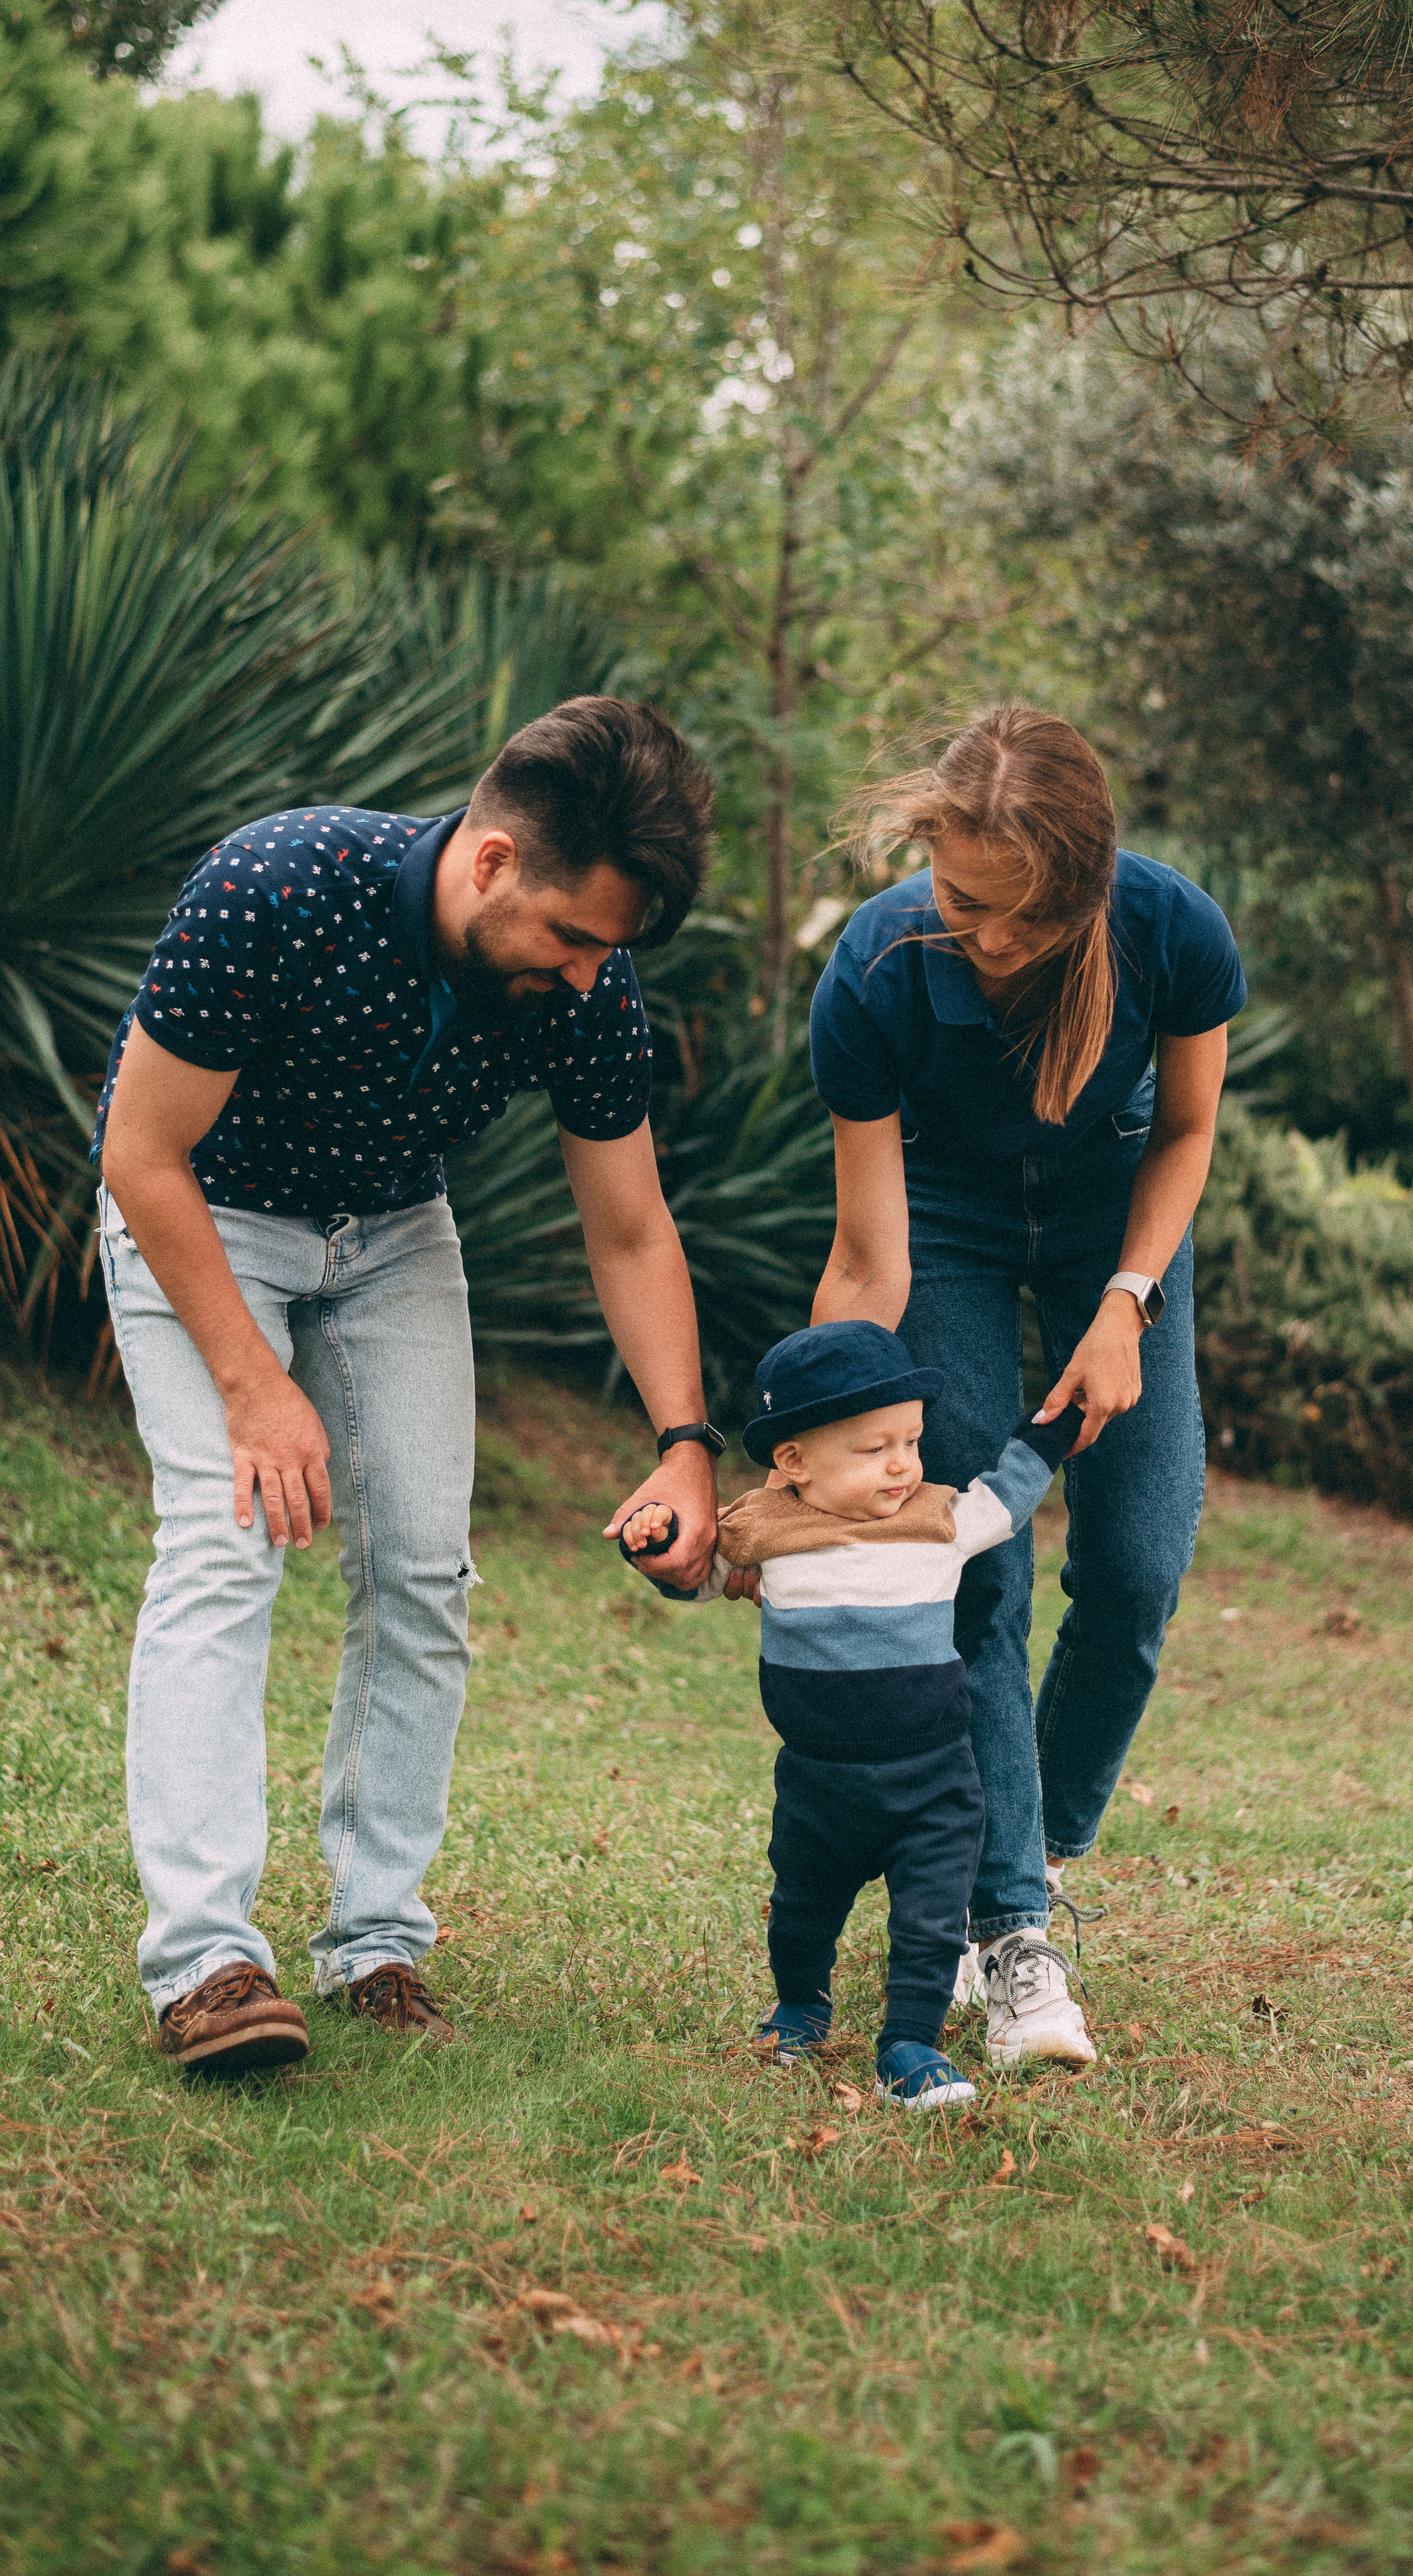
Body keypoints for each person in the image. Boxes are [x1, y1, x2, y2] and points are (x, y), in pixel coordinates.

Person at [96, 697, 726, 2078]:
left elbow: (629, 1227)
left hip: (388, 1231)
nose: (581, 976)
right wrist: (252, 1382)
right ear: (493, 861)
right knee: (223, 1536)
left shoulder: (582, 983)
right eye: (571, 937)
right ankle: (205, 1964)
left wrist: (684, 1442)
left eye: (604, 953)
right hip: (205, 1211)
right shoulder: (274, 890)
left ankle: (374, 1942)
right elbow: (142, 1155)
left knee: (426, 1572)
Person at [801, 706, 1245, 2067]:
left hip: (1115, 1205)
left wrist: (1125, 1301)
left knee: (1134, 1565)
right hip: (946, 1212)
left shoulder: (1171, 931)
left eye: (1019, 919)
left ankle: (1025, 1849)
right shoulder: (876, 970)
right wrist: (832, 1423)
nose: (984, 940)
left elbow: (1181, 1131)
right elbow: (869, 1253)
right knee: (974, 1565)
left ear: (1086, 890)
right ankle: (1003, 1938)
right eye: (959, 901)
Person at [620, 1321, 1083, 2104]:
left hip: (934, 1784)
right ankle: (801, 2004)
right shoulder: (762, 1530)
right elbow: (695, 1577)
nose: (903, 1465)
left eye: (911, 1440)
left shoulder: (941, 1515)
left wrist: (1061, 1421)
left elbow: (1012, 1484)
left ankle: (909, 2043)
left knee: (931, 1926)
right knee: (801, 1909)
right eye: (875, 1449)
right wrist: (657, 1540)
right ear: (792, 1461)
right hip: (817, 1782)